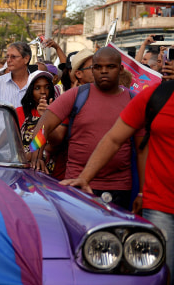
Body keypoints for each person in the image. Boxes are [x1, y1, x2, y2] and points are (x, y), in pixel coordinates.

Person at [60, 71, 174, 283]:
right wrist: (85, 177)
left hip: (132, 190)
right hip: (161, 207)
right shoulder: (157, 96)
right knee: (157, 276)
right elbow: (114, 138)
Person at [31, 47, 142, 209]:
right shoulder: (76, 95)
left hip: (119, 188)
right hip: (75, 183)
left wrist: (142, 192)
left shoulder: (134, 100)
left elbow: (142, 150)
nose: (104, 71)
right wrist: (36, 154)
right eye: (97, 67)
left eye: (110, 66)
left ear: (121, 69)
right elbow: (44, 126)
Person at [15, 71, 59, 166]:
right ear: (30, 91)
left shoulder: (59, 112)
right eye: (37, 88)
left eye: (47, 87)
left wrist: (45, 118)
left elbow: (54, 144)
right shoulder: (19, 112)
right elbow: (10, 143)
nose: (43, 92)